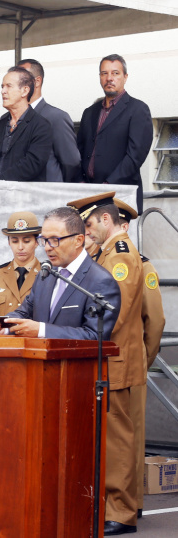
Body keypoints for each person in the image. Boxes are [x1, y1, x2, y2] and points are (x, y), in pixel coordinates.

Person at [66, 192, 145, 535]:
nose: (87, 231)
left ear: (106, 220)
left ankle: (122, 512)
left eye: (89, 223)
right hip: (108, 360)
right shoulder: (108, 254)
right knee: (111, 438)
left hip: (116, 360)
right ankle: (115, 505)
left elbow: (115, 311)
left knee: (118, 441)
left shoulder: (121, 256)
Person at [0, 206, 120, 342]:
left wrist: (41, 331)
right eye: (45, 240)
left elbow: (95, 337)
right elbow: (24, 312)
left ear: (78, 240)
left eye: (55, 240)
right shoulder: (47, 274)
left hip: (74, 364)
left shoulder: (100, 281)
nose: (47, 247)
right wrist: (4, 327)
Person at [112, 197, 165, 521]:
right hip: (113, 365)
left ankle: (131, 506)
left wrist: (144, 359)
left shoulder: (141, 265)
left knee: (128, 439)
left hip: (131, 362)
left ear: (125, 225)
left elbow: (155, 321)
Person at [77, 54, 153, 212]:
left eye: (115, 73)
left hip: (121, 196)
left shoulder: (138, 110)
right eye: (104, 73)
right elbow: (80, 151)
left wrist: (107, 185)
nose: (109, 78)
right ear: (99, 77)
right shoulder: (90, 112)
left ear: (125, 77)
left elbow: (135, 157)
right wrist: (81, 181)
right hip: (89, 195)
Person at [0, 67, 52, 181]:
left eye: (9, 86)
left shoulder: (41, 125)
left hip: (22, 195)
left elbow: (32, 164)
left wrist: (0, 183)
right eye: (2, 86)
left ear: (25, 91)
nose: (3, 91)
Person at [14, 59, 81, 183]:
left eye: (21, 79)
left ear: (37, 81)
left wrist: (55, 185)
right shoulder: (9, 119)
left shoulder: (56, 117)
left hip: (47, 196)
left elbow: (71, 162)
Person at [0, 211, 42, 330]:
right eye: (15, 241)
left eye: (27, 241)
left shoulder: (48, 275)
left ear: (36, 242)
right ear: (8, 243)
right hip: (1, 345)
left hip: (35, 345)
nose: (20, 247)